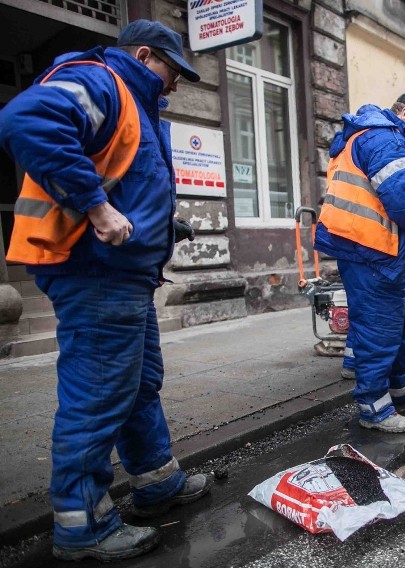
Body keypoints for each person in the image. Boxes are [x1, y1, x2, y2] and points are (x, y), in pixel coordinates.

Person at [0, 20, 212, 562]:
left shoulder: (134, 103)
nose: (177, 83)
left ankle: (157, 483)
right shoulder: (101, 81)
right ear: (144, 55)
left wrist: (166, 225)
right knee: (98, 395)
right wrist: (95, 206)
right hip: (92, 270)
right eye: (172, 69)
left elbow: (127, 178)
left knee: (137, 385)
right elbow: (25, 119)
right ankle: (83, 526)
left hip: (123, 274)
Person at [315, 91, 405, 433]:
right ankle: (374, 407)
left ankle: (399, 389)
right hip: (370, 252)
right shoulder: (384, 139)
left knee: (398, 324)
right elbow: (404, 200)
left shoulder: (371, 136)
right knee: (378, 329)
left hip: (375, 252)